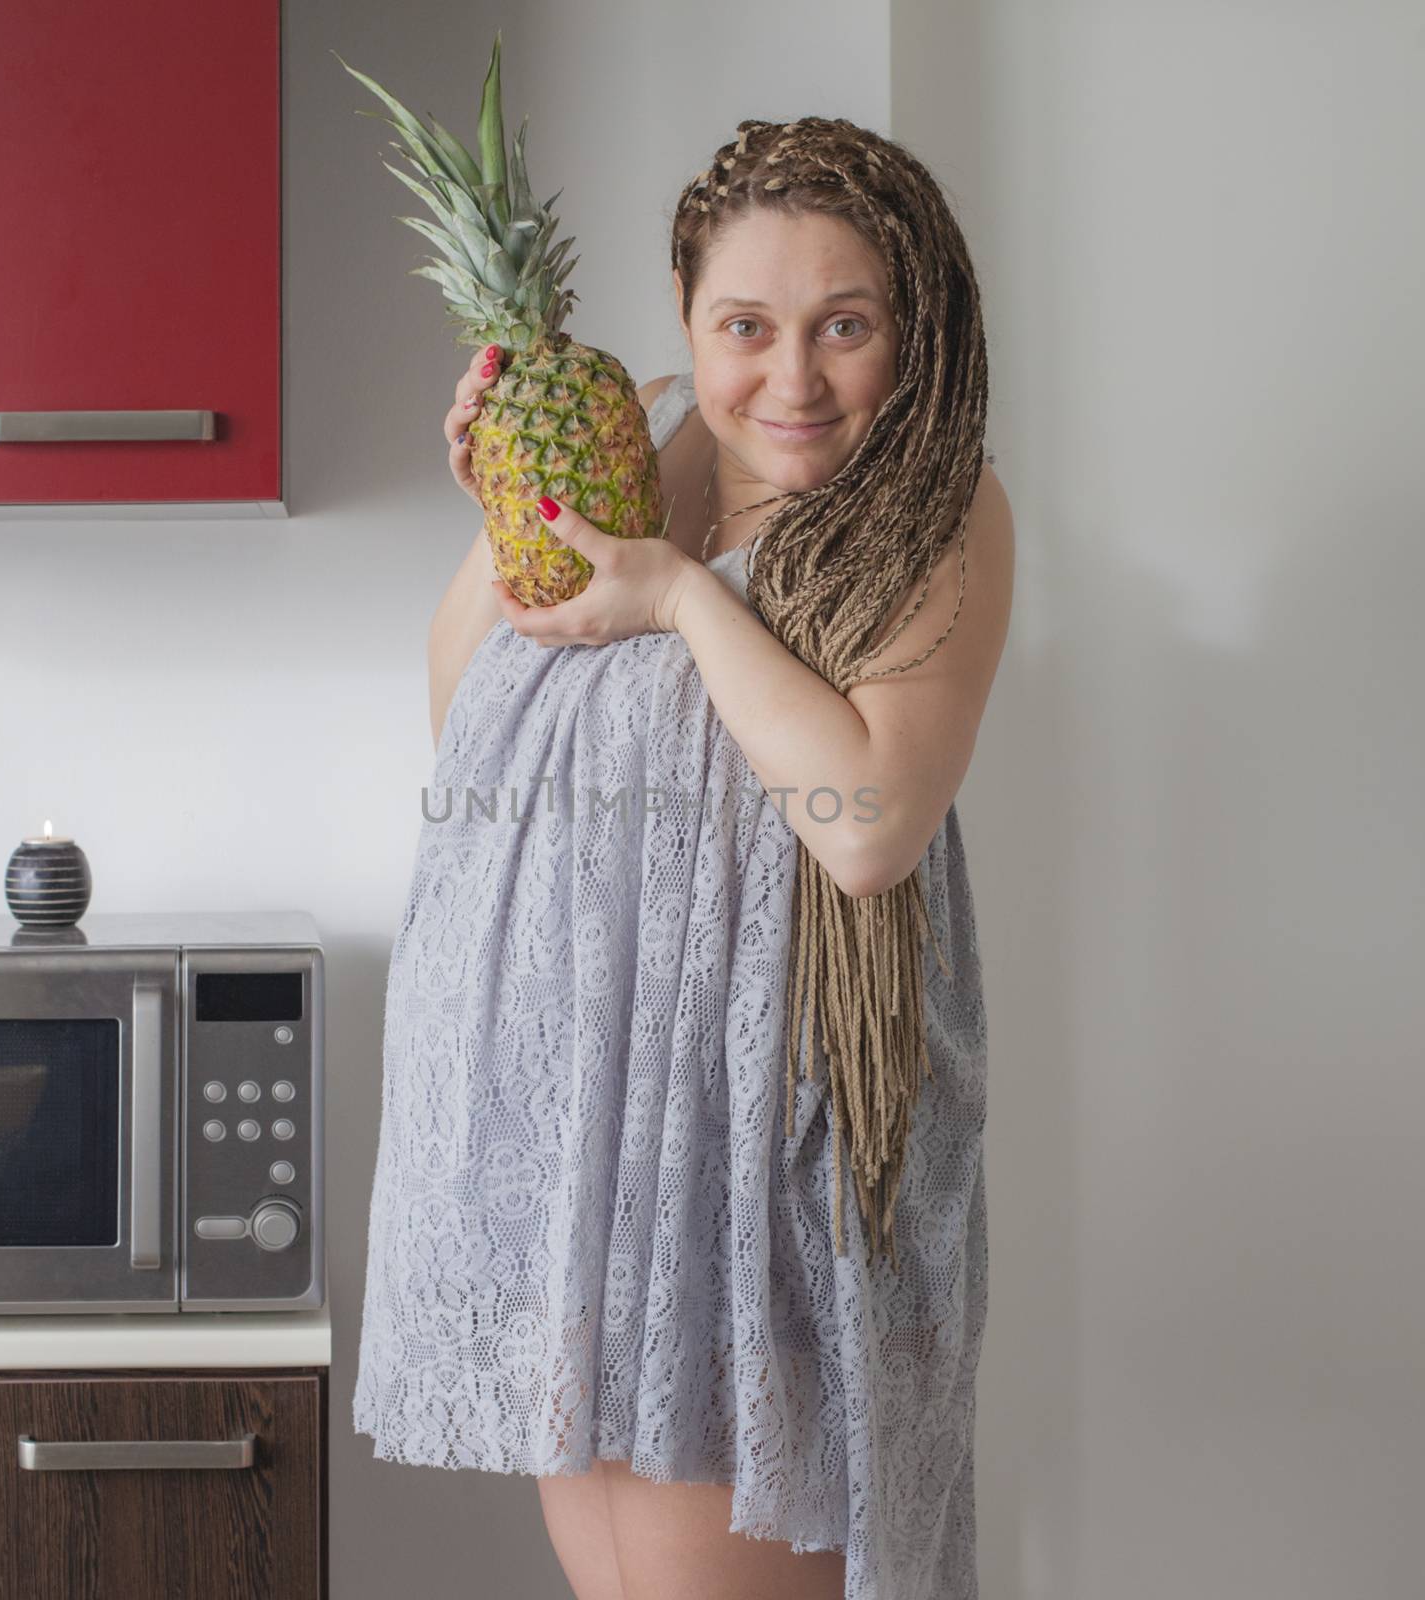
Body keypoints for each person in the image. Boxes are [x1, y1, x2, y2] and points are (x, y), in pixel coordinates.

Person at [356, 115, 1014, 1600]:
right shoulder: (648, 443)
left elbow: (868, 829)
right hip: (594, 1149)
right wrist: (499, 527)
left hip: (761, 1152)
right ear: (683, 315)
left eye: (846, 325)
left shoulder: (934, 509)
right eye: (747, 326)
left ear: (914, 326)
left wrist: (675, 598)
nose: (792, 378)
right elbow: (485, 724)